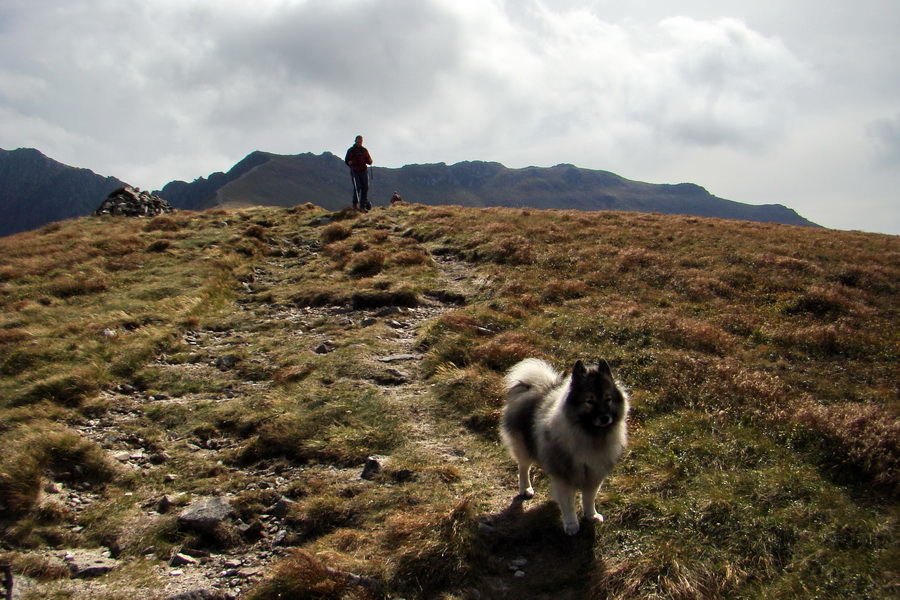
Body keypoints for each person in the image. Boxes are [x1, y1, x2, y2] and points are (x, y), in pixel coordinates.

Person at [344, 135, 373, 211]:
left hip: (363, 171)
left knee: (365, 188)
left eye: (361, 141)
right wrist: (349, 162)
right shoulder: (351, 150)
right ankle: (355, 205)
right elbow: (346, 160)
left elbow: (368, 160)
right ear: (355, 141)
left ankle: (362, 206)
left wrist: (370, 161)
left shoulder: (364, 150)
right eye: (358, 141)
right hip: (355, 171)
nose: (359, 143)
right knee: (357, 187)